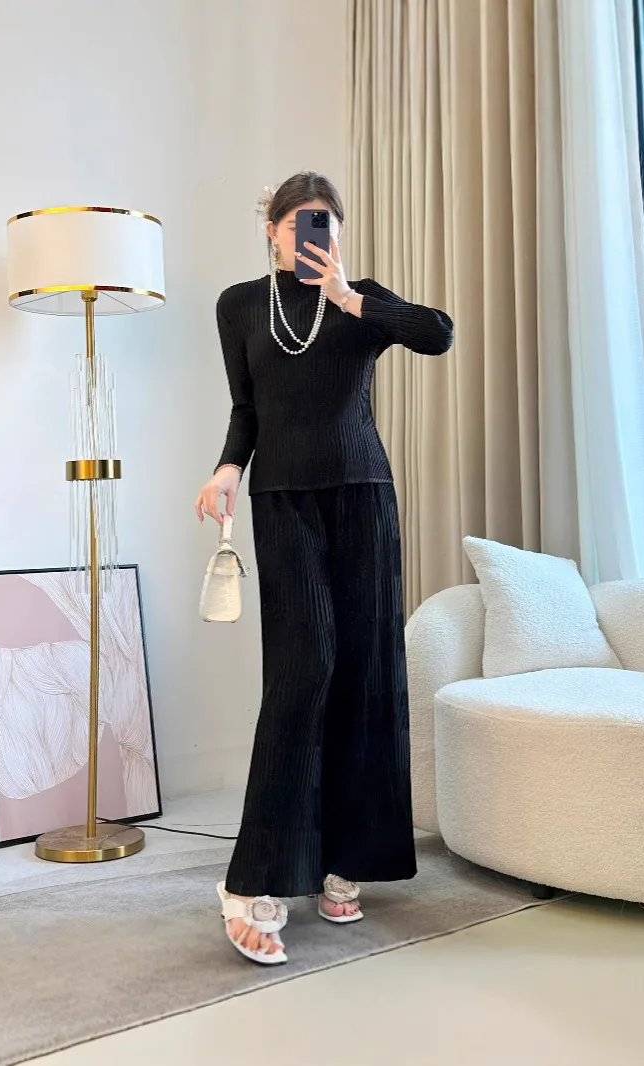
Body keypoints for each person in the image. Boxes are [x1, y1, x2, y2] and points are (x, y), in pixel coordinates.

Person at [195, 171, 453, 965]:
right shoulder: (239, 305)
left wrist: (348, 298)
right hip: (284, 502)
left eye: (328, 224)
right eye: (301, 224)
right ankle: (251, 881)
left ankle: (346, 859)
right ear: (272, 230)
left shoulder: (360, 299)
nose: (316, 236)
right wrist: (226, 469)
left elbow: (437, 333)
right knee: (303, 671)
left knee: (366, 672)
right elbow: (247, 407)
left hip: (364, 497)